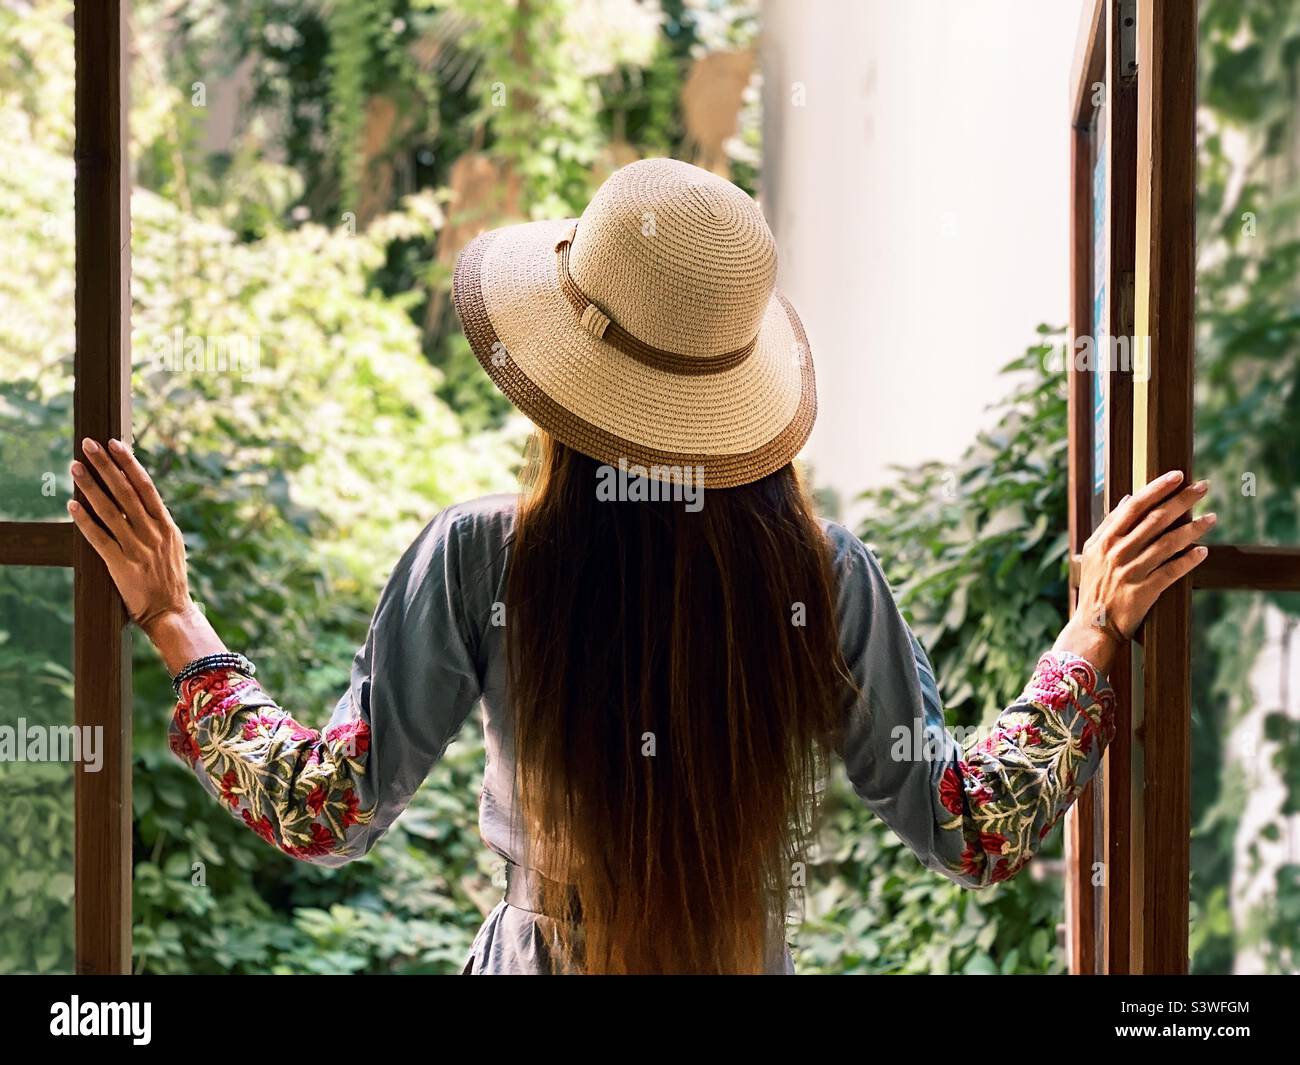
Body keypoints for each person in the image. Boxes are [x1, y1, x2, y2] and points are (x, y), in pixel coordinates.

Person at [68, 159, 1212, 975]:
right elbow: (973, 824)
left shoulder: (485, 557)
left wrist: (176, 620)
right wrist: (1090, 633)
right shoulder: (821, 578)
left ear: (564, 381)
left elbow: (321, 810)